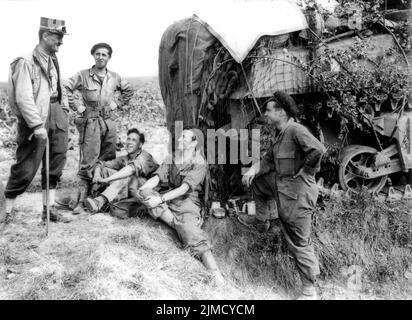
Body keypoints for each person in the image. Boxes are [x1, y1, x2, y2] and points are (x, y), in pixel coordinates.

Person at [241, 91, 326, 299]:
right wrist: (252, 170)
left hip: (298, 195)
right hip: (284, 193)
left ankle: (309, 289)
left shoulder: (295, 130)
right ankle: (263, 220)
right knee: (258, 181)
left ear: (281, 112)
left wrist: (305, 171)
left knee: (299, 241)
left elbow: (318, 150)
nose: (266, 115)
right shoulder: (280, 134)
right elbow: (268, 160)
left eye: (269, 110)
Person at [136, 126, 224, 285]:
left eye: (184, 137)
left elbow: (184, 188)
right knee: (145, 193)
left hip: (188, 202)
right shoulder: (173, 157)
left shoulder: (199, 163)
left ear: (194, 143)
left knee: (190, 230)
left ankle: (216, 274)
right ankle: (177, 225)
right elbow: (158, 177)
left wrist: (160, 199)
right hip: (170, 198)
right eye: (180, 136)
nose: (180, 139)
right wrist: (145, 188)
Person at [3, 17, 70, 224]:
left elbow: (58, 87)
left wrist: (64, 108)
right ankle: (6, 212)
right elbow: (23, 98)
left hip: (56, 113)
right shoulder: (25, 61)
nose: (61, 42)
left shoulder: (53, 58)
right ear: (45, 35)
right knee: (26, 167)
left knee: (56, 163)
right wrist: (37, 125)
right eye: (58, 37)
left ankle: (48, 210)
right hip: (36, 119)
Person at [64, 42, 134, 214]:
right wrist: (77, 107)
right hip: (90, 121)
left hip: (109, 122)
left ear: (109, 57)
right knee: (88, 161)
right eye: (98, 54)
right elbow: (65, 87)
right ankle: (81, 201)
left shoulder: (115, 77)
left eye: (104, 54)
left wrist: (116, 104)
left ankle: (99, 197)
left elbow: (128, 91)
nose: (101, 57)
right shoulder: (83, 75)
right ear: (93, 56)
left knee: (108, 159)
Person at [84, 128, 158, 213]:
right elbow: (101, 164)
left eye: (134, 140)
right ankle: (94, 196)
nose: (129, 142)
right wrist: (97, 174)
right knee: (105, 170)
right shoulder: (125, 158)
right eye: (128, 139)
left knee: (127, 176)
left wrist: (108, 179)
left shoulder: (145, 156)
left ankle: (99, 201)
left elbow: (130, 170)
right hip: (132, 190)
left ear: (140, 145)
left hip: (149, 192)